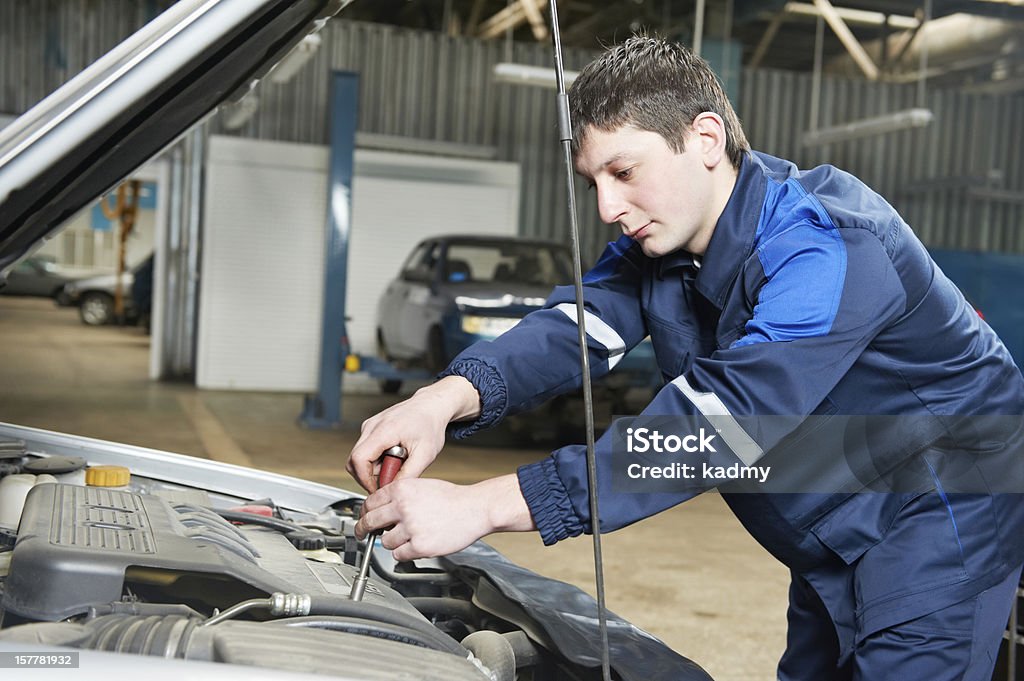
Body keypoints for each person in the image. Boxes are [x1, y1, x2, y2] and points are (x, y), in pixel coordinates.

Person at [347, 36, 1024, 680]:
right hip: (834, 526)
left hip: (943, 516)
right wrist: (439, 399)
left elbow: (720, 427)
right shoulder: (663, 249)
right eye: (594, 183)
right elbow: (573, 327)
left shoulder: (828, 245)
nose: (610, 206)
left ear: (704, 138)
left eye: (624, 171)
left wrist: (486, 504)